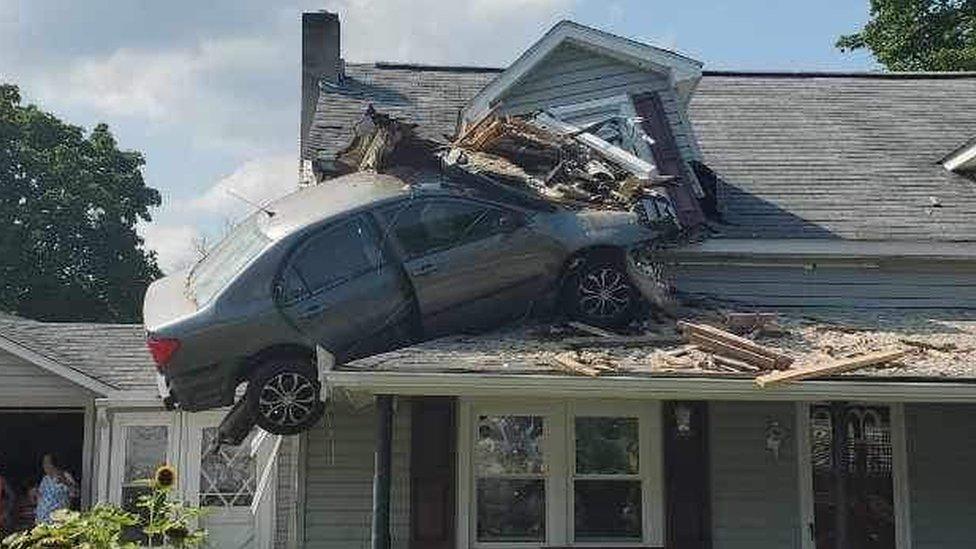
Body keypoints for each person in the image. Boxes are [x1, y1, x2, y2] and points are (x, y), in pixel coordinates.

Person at [35, 454, 76, 525]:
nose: (44, 466)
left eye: (47, 463)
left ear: (53, 464)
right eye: (44, 464)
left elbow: (75, 493)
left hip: (58, 520)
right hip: (43, 519)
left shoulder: (65, 476)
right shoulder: (45, 479)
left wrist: (65, 482)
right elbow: (40, 496)